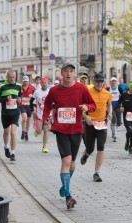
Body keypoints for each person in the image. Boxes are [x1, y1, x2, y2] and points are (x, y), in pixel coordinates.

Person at [42, 63, 96, 209]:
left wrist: (87, 107)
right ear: (62, 74)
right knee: (65, 161)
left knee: (72, 163)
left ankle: (64, 187)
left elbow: (92, 104)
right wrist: (46, 118)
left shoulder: (81, 88)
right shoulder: (54, 90)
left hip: (77, 129)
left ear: (74, 73)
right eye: (66, 71)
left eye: (71, 71)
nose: (68, 74)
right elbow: (47, 105)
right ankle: (68, 196)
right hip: (61, 129)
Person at [80, 73, 113, 183]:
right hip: (90, 122)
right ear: (94, 82)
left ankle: (96, 173)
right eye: (97, 81)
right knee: (90, 147)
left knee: (101, 146)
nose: (99, 83)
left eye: (101, 81)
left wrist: (110, 113)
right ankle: (86, 154)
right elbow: (82, 108)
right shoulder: (88, 93)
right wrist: (86, 117)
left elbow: (109, 105)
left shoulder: (107, 94)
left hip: (102, 123)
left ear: (104, 82)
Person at [0, 70, 22, 161]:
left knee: (13, 132)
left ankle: (13, 153)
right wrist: (5, 99)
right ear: (7, 77)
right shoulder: (2, 86)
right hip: (5, 113)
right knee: (6, 132)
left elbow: (20, 95)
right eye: (10, 77)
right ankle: (6, 147)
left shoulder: (18, 86)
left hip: (15, 112)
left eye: (14, 77)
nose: (12, 79)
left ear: (15, 77)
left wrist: (19, 99)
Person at [117, 82, 132, 154]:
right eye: (131, 87)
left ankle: (130, 146)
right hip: (127, 115)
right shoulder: (124, 95)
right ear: (129, 88)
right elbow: (118, 102)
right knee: (129, 130)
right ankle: (127, 141)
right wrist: (121, 107)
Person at [31, 77, 50, 153]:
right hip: (39, 114)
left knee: (46, 130)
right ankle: (37, 131)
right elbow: (31, 102)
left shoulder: (50, 92)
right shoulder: (37, 92)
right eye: (42, 83)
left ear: (47, 83)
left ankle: (44, 147)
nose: (44, 84)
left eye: (45, 83)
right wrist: (33, 109)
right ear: (40, 83)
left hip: (48, 114)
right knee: (39, 131)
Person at [20, 75, 36, 141]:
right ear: (23, 82)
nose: (25, 83)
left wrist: (32, 96)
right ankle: (23, 131)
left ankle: (26, 133)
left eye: (26, 81)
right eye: (24, 81)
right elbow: (17, 95)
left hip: (29, 106)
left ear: (28, 81)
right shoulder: (20, 87)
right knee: (24, 119)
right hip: (22, 105)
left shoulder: (32, 88)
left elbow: (35, 96)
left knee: (28, 121)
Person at [108, 77, 123, 142]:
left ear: (116, 82)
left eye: (114, 81)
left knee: (119, 123)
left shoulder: (119, 88)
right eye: (112, 81)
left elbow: (123, 97)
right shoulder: (108, 89)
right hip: (111, 107)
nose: (113, 82)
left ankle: (113, 128)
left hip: (118, 107)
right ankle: (114, 135)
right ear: (110, 82)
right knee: (114, 120)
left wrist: (122, 105)